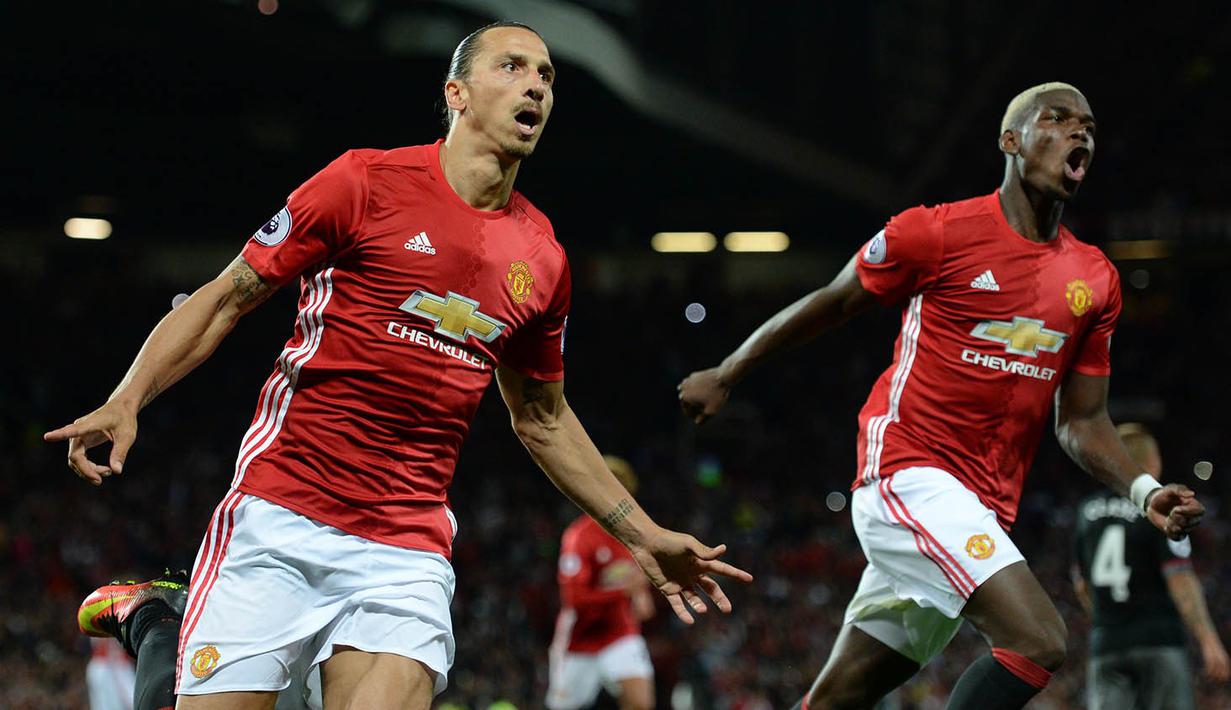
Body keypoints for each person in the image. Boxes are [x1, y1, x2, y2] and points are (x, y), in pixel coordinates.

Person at [49, 21, 751, 710]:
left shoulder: (542, 259)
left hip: (403, 547)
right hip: (282, 513)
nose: (535, 84)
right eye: (511, 67)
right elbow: (228, 296)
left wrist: (643, 535)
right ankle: (152, 621)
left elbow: (540, 416)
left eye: (546, 75)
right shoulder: (363, 182)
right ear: (457, 93)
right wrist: (129, 396)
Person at [677, 81, 1205, 710]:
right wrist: (730, 371)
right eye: (1058, 119)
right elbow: (834, 300)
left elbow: (1082, 422)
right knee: (1039, 642)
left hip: (980, 509)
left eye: (1088, 124)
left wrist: (1142, 491)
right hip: (908, 475)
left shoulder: (1094, 278)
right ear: (1011, 141)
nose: (1079, 132)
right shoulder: (937, 232)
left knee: (837, 698)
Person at [1072, 422, 1230, 710]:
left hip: (1107, 644)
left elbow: (1081, 583)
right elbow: (1179, 578)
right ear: (1152, 462)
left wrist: (1107, 624)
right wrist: (1209, 640)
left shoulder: (1086, 512)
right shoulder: (1161, 511)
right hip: (1158, 640)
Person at [547, 455, 657, 710]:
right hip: (580, 638)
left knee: (641, 703)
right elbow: (574, 599)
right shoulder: (579, 537)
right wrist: (624, 592)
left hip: (619, 631)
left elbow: (636, 576)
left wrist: (641, 595)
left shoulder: (631, 535)